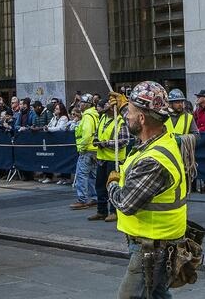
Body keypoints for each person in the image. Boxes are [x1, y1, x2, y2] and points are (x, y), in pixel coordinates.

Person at [107, 81, 188, 299]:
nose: (126, 117)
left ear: (142, 118)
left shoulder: (153, 161)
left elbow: (125, 203)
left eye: (130, 113)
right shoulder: (162, 136)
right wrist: (127, 105)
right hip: (157, 241)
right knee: (157, 294)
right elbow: (149, 119)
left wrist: (112, 183)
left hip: (151, 246)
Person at [89, 94, 129, 222]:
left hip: (115, 160)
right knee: (100, 186)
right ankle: (101, 211)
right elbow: (97, 133)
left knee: (113, 185)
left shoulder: (121, 121)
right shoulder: (102, 119)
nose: (106, 111)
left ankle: (114, 211)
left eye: (108, 109)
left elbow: (124, 141)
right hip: (102, 159)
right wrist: (96, 140)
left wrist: (105, 143)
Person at [70, 94, 99, 210]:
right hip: (94, 150)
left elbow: (86, 135)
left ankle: (82, 200)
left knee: (82, 175)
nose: (79, 104)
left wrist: (81, 148)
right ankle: (95, 197)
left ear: (87, 104)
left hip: (86, 150)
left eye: (81, 102)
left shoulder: (87, 116)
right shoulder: (95, 115)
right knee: (93, 176)